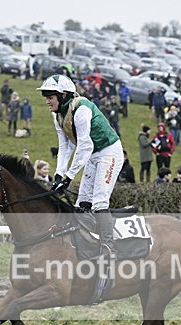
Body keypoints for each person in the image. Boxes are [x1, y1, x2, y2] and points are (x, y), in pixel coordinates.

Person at [37, 74, 124, 259]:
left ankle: (109, 247)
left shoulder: (82, 109)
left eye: (50, 97)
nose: (47, 101)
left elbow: (85, 145)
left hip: (109, 153)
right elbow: (65, 146)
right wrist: (59, 174)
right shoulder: (58, 115)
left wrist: (69, 177)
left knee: (99, 201)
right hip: (92, 155)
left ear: (63, 96)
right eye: (46, 97)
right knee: (81, 203)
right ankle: (87, 243)